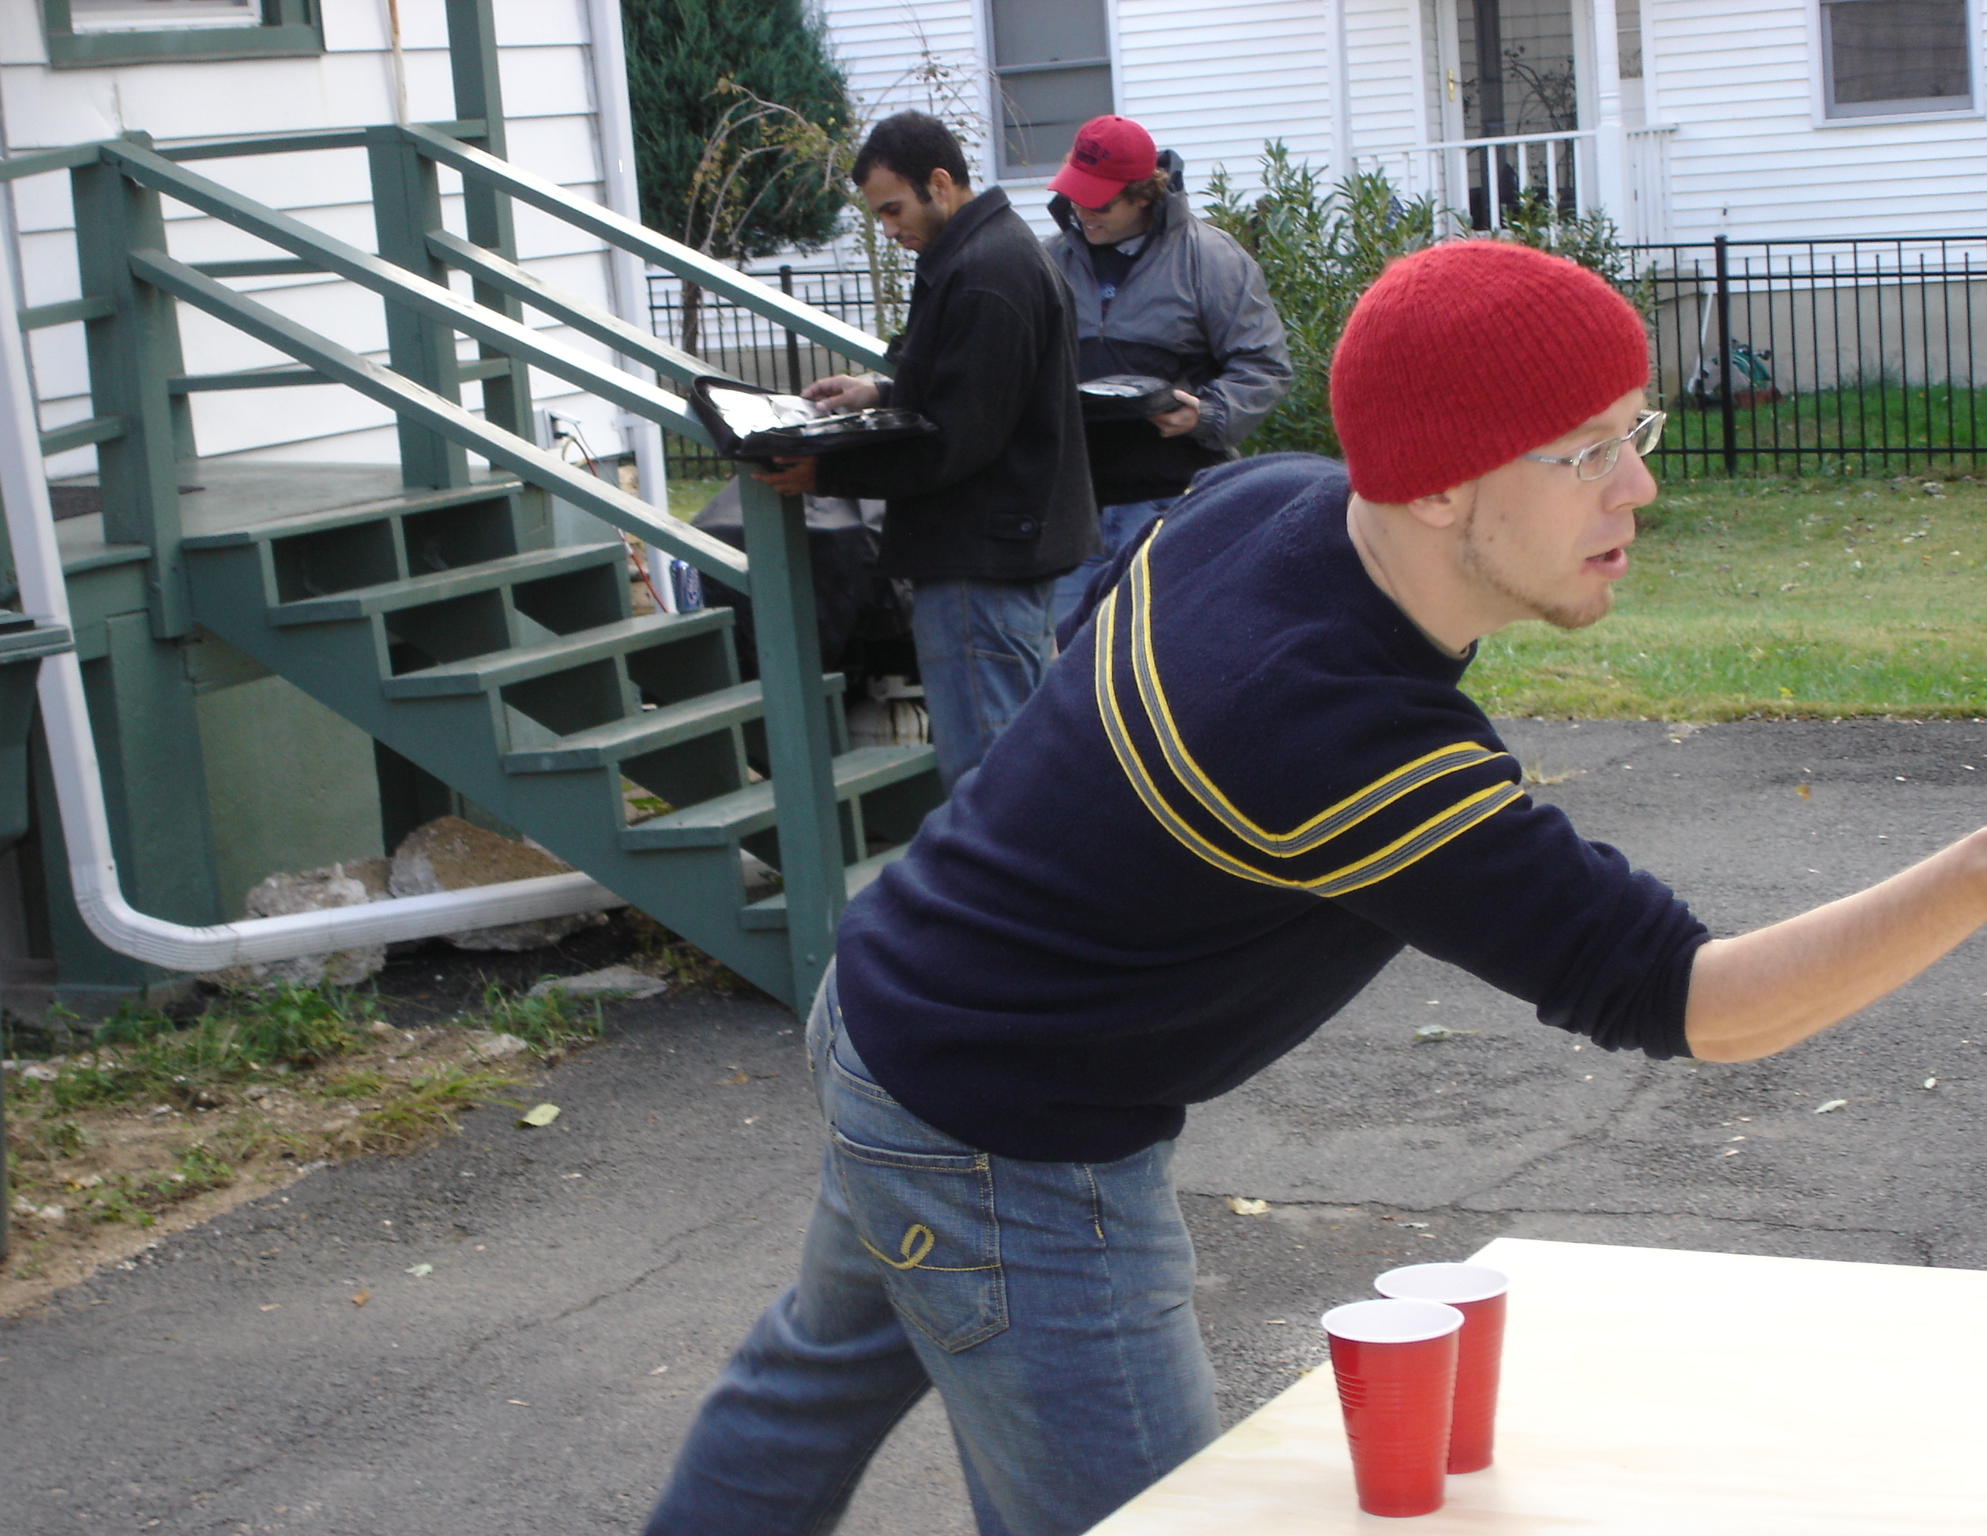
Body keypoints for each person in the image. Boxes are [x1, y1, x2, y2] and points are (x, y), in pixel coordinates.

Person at [643, 240, 1987, 1536]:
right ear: (1439, 487)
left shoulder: (1261, 503)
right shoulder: (1337, 733)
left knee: (798, 1399)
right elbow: (1696, 1001)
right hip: (1004, 1127)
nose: (1636, 487)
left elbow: (1085, 630)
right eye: (1585, 452)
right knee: (1150, 1525)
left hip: (889, 1006)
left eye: (1635, 431)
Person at [753, 112, 1094, 788]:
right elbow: (976, 394)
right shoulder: (988, 254)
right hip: (1002, 548)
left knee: (987, 777)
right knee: (1018, 767)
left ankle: (1004, 865)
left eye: (893, 209)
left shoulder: (987, 273)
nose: (888, 229)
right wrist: (880, 391)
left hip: (979, 560)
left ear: (939, 183)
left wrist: (827, 470)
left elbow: (955, 440)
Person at [1042, 115, 1292, 627]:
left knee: (1164, 653)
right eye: (1075, 197)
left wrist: (1208, 413)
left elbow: (1264, 364)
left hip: (1172, 504)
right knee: (1073, 660)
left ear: (1143, 195)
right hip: (1074, 511)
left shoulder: (1212, 259)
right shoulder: (1048, 262)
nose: (1083, 212)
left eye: (1100, 203)